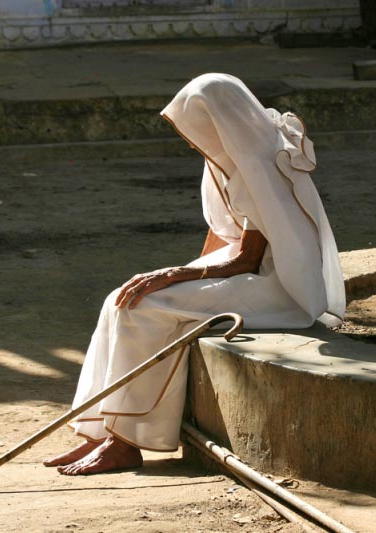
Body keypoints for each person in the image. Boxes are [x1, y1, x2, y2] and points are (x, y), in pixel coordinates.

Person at [42, 73, 345, 475]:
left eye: (195, 126)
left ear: (220, 120)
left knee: (144, 310)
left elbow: (247, 260)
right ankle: (99, 432)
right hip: (243, 273)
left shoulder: (260, 164)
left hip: (275, 287)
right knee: (121, 297)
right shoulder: (222, 163)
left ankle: (126, 443)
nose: (189, 138)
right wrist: (185, 274)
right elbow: (221, 236)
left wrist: (175, 277)